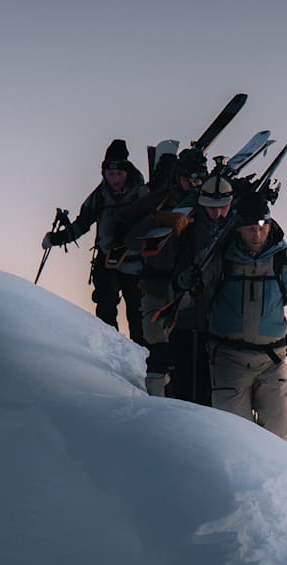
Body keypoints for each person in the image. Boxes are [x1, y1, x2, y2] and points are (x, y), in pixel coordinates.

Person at [182, 188, 287, 442]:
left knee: (279, 435)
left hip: (272, 361)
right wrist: (189, 283)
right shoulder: (218, 259)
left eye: (262, 226)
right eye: (250, 228)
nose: (257, 234)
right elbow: (187, 301)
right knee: (235, 439)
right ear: (237, 228)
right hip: (228, 361)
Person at [116, 147, 208, 395]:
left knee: (193, 363)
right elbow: (132, 240)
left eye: (199, 179)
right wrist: (160, 220)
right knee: (159, 356)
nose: (193, 185)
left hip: (192, 297)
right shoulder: (159, 201)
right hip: (157, 291)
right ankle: (156, 415)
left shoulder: (209, 207)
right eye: (188, 179)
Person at [43, 139, 147, 345]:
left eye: (119, 173)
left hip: (136, 266)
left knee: (138, 320)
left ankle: (144, 366)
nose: (115, 178)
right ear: (104, 173)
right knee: (106, 314)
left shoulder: (143, 194)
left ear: (128, 172)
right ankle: (111, 358)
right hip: (106, 263)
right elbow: (82, 224)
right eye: (110, 173)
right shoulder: (99, 197)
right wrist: (56, 238)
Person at [167, 173, 237, 405]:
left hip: (226, 325)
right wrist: (185, 280)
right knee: (187, 389)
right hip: (190, 322)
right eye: (211, 208)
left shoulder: (239, 230)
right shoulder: (188, 229)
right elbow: (175, 276)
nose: (217, 214)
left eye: (222, 208)